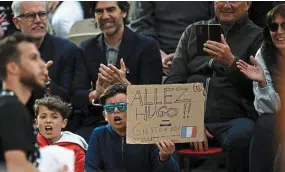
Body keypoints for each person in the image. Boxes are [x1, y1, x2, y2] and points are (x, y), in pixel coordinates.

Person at [164, 1, 263, 172]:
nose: (226, 5)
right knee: (157, 135)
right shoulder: (193, 31)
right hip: (188, 116)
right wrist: (192, 121)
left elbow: (258, 89)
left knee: (244, 135)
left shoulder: (258, 37)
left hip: (232, 119)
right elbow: (174, 79)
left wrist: (231, 64)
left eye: (233, 0)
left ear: (248, 3)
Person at [77, 1, 162, 141]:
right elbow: (76, 94)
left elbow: (154, 97)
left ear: (124, 12)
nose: (105, 16)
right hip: (96, 123)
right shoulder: (86, 48)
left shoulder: (147, 46)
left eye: (111, 10)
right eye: (99, 11)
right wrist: (96, 93)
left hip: (136, 122)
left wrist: (126, 86)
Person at [11, 1, 91, 131]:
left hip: (60, 129)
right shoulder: (8, 53)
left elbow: (72, 103)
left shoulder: (68, 51)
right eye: (30, 15)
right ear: (16, 22)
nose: (38, 20)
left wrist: (47, 84)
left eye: (42, 14)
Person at [0, 33, 46, 171]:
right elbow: (18, 167)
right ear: (13, 67)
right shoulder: (10, 107)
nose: (42, 64)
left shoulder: (6, 104)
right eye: (34, 58)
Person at [85, 83, 179, 172]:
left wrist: (164, 158)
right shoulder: (99, 135)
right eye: (110, 108)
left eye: (122, 106)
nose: (116, 110)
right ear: (104, 115)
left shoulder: (152, 133)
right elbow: (91, 168)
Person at [236, 4, 284, 172]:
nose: (279, 32)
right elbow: (269, 108)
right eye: (273, 26)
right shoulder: (263, 54)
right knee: (266, 123)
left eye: (284, 26)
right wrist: (263, 84)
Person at [130, 2, 214, 74]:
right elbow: (140, 26)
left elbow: (215, 23)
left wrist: (184, 56)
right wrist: (157, 53)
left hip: (197, 55)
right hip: (157, 55)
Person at [34, 96, 88, 172]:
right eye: (43, 117)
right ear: (36, 122)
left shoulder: (76, 148)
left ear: (63, 123)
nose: (48, 120)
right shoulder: (30, 145)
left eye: (54, 117)